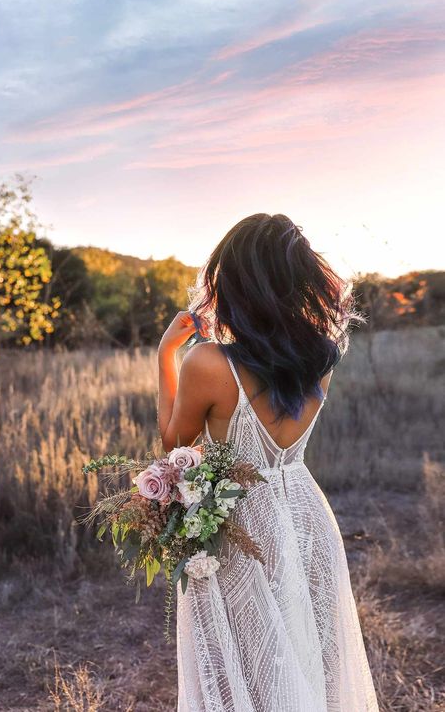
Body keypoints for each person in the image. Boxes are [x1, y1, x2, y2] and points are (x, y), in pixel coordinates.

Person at [157, 213, 379, 711]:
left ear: (233, 282)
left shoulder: (208, 362)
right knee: (308, 661)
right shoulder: (322, 357)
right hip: (304, 514)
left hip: (240, 523)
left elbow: (175, 441)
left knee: (249, 668)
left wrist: (166, 354)